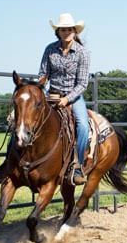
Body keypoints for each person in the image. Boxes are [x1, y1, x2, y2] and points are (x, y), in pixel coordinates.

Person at [38, 12, 91, 185]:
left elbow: (82, 83)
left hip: (73, 97)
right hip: (51, 95)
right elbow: (43, 74)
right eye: (63, 29)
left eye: (69, 29)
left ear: (75, 31)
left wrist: (67, 99)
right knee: (26, 119)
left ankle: (77, 166)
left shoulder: (82, 52)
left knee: (83, 125)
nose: (66, 32)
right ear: (58, 32)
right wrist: (40, 91)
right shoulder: (49, 49)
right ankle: (14, 161)